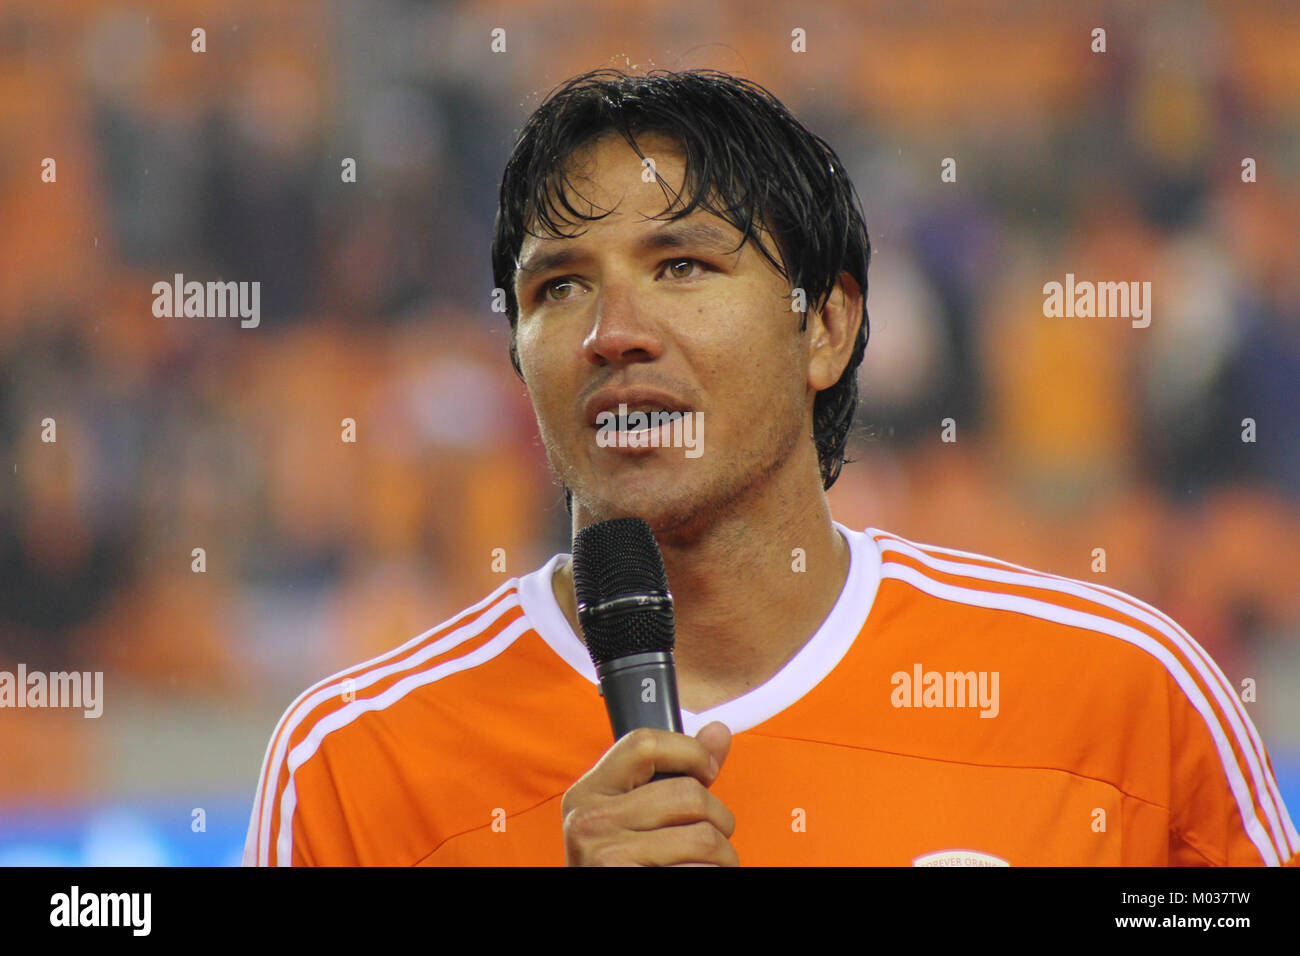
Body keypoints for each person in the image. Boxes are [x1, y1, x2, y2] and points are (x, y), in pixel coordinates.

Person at [244, 68, 1298, 866]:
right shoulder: (355, 765)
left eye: (683, 266)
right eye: (558, 287)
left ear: (826, 327)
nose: (613, 331)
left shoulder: (1121, 696)